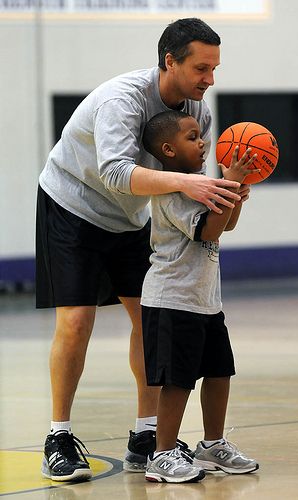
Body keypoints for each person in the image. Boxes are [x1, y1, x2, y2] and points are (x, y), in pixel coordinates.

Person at [36, 18, 244, 482]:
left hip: (132, 215)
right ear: (170, 61)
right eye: (201, 68)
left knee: (148, 318)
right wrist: (187, 181)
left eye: (215, 68)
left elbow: (191, 190)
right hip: (73, 204)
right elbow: (115, 173)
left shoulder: (197, 111)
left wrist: (230, 188)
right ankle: (59, 436)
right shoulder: (122, 100)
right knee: (76, 320)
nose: (210, 80)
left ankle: (146, 436)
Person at [140, 110, 260, 483]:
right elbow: (207, 232)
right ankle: (160, 455)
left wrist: (234, 193)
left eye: (200, 136)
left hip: (205, 300)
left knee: (220, 371)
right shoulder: (173, 190)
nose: (203, 141)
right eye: (192, 137)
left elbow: (227, 224)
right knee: (178, 380)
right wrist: (230, 184)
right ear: (168, 150)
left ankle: (212, 445)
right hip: (171, 298)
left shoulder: (201, 183)